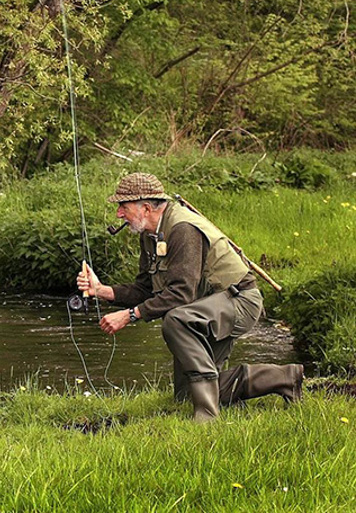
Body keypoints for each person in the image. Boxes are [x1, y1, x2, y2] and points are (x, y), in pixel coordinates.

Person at [76, 172, 303, 421]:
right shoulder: (150, 236)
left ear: (146, 208)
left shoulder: (183, 230)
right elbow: (145, 290)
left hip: (239, 302)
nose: (119, 213)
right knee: (185, 394)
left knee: (174, 319)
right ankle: (284, 378)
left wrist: (130, 316)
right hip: (207, 309)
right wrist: (101, 290)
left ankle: (206, 417)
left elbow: (181, 295)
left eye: (123, 206)